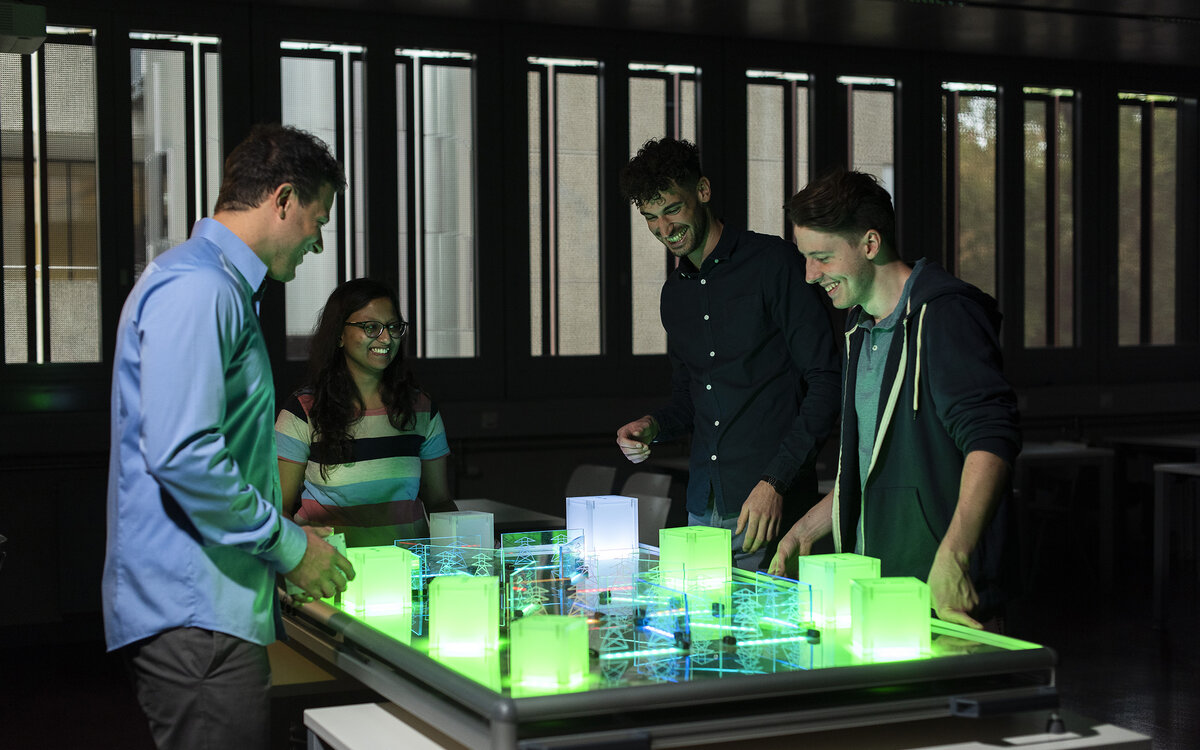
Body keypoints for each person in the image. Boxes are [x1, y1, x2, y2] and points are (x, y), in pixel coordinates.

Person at [103, 123, 354, 750]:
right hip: (197, 613)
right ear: (283, 200)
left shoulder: (209, 282)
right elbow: (185, 456)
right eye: (318, 221)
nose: (318, 244)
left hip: (203, 608)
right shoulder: (201, 287)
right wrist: (290, 546)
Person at [767, 168, 1020, 629]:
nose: (809, 275)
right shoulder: (859, 330)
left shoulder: (945, 316)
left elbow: (991, 440)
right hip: (882, 596)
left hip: (943, 600)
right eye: (806, 258)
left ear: (869, 244)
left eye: (821, 257)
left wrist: (956, 556)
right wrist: (804, 529)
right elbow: (871, 468)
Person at [615, 138, 841, 571]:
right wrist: (653, 425)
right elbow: (690, 396)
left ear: (702, 190)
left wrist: (776, 480)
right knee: (700, 638)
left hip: (771, 507)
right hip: (702, 509)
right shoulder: (673, 296)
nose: (665, 230)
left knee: (772, 639)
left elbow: (826, 381)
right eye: (651, 218)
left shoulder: (774, 264)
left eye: (672, 210)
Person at [275, 278, 456, 548]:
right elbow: (278, 510)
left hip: (407, 575)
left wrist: (464, 557)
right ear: (339, 335)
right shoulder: (303, 411)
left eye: (393, 327)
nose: (386, 338)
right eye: (371, 327)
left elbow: (439, 501)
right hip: (331, 575)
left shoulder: (421, 409)